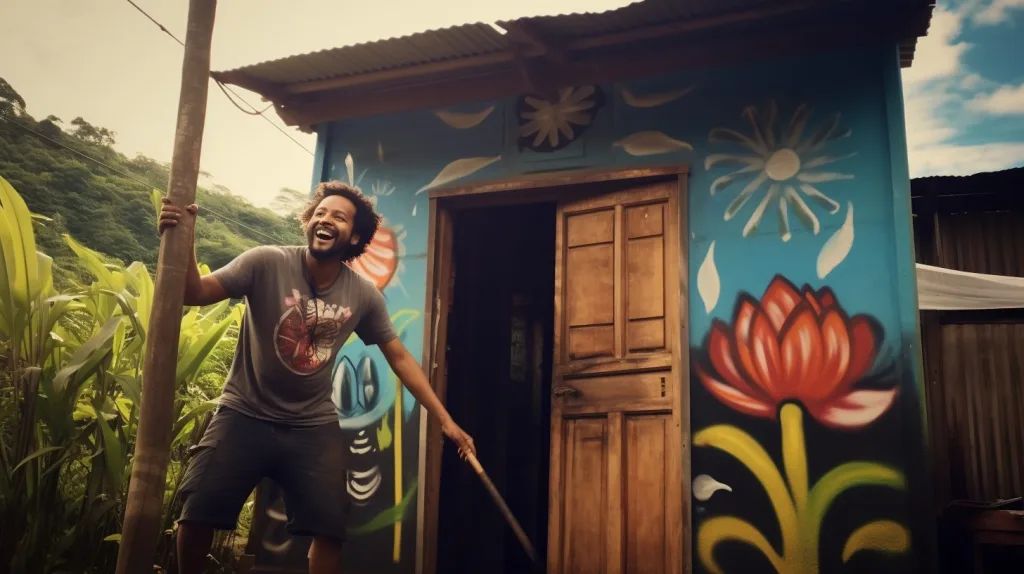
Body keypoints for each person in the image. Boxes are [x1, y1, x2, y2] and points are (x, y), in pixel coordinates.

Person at [158, 181, 476, 574]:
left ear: (354, 236)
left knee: (329, 530)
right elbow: (193, 291)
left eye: (338, 217)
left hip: (312, 425)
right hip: (244, 412)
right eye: (320, 213)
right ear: (309, 223)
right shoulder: (264, 262)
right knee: (198, 511)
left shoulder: (363, 295)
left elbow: (400, 358)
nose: (326, 220)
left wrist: (447, 421)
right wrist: (183, 237)